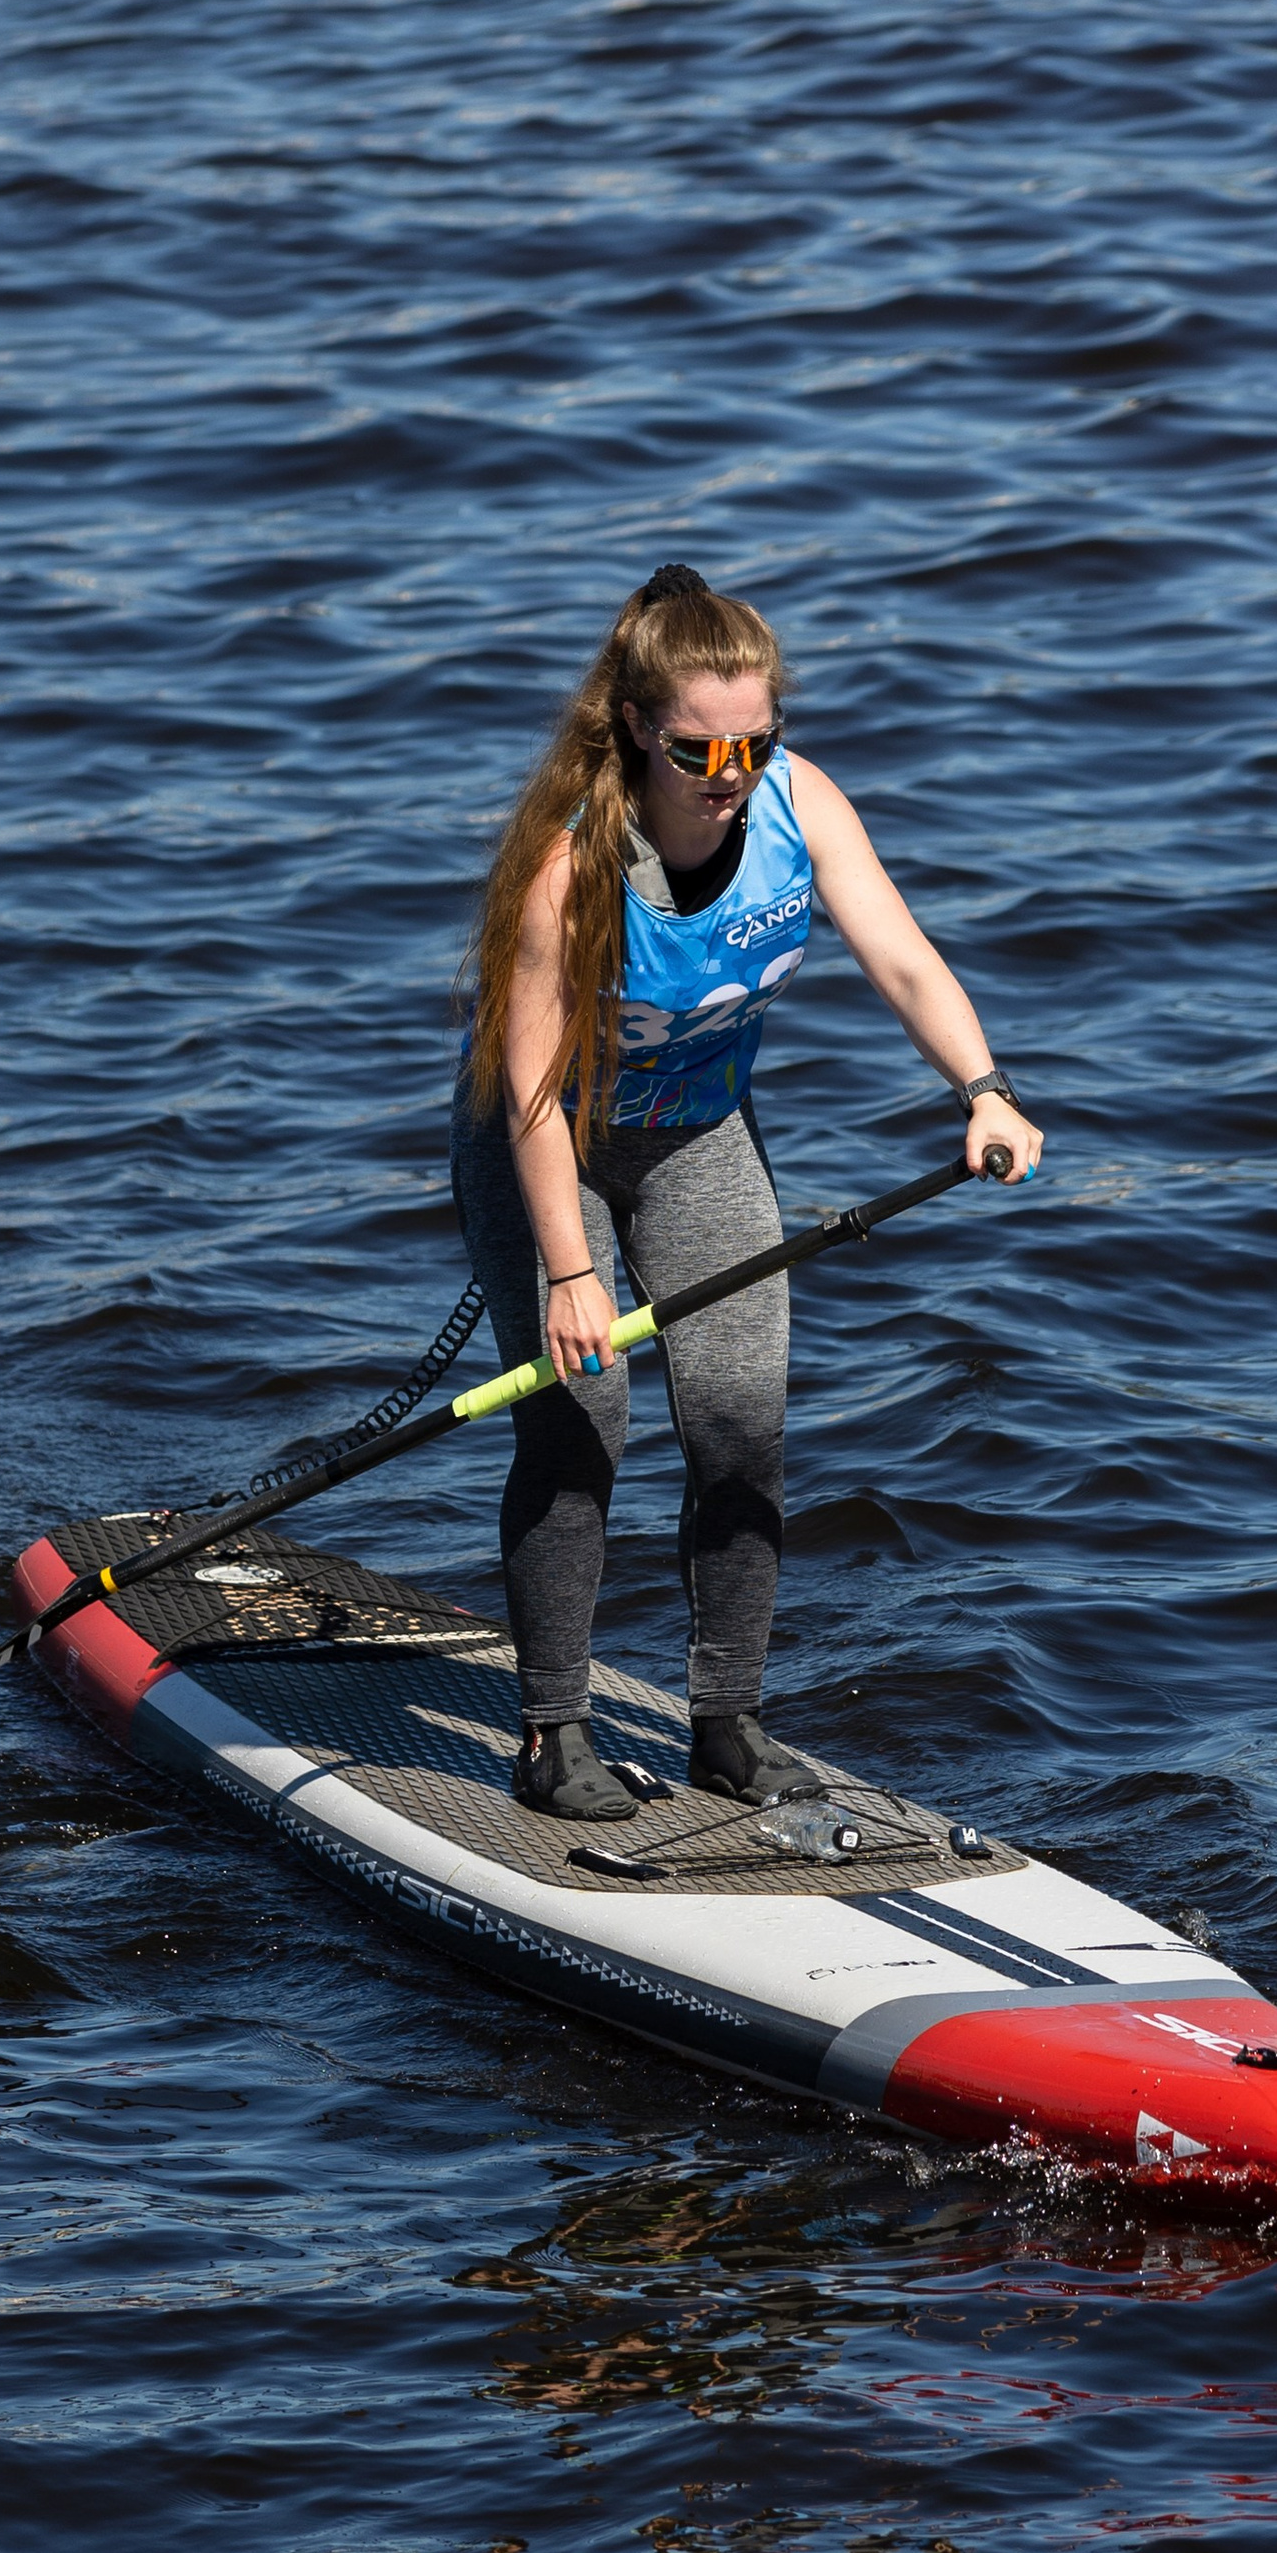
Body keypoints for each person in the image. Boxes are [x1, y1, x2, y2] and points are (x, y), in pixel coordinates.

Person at [452, 565, 1041, 1824]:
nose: (730, 770)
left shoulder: (800, 804)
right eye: (698, 746)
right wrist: (569, 1272)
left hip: (698, 1140)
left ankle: (725, 1724)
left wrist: (982, 1088)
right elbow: (533, 1100)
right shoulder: (570, 869)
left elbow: (899, 953)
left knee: (737, 1421)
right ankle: (553, 1732)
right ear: (635, 732)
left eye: (754, 740)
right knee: (582, 1417)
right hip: (551, 1147)